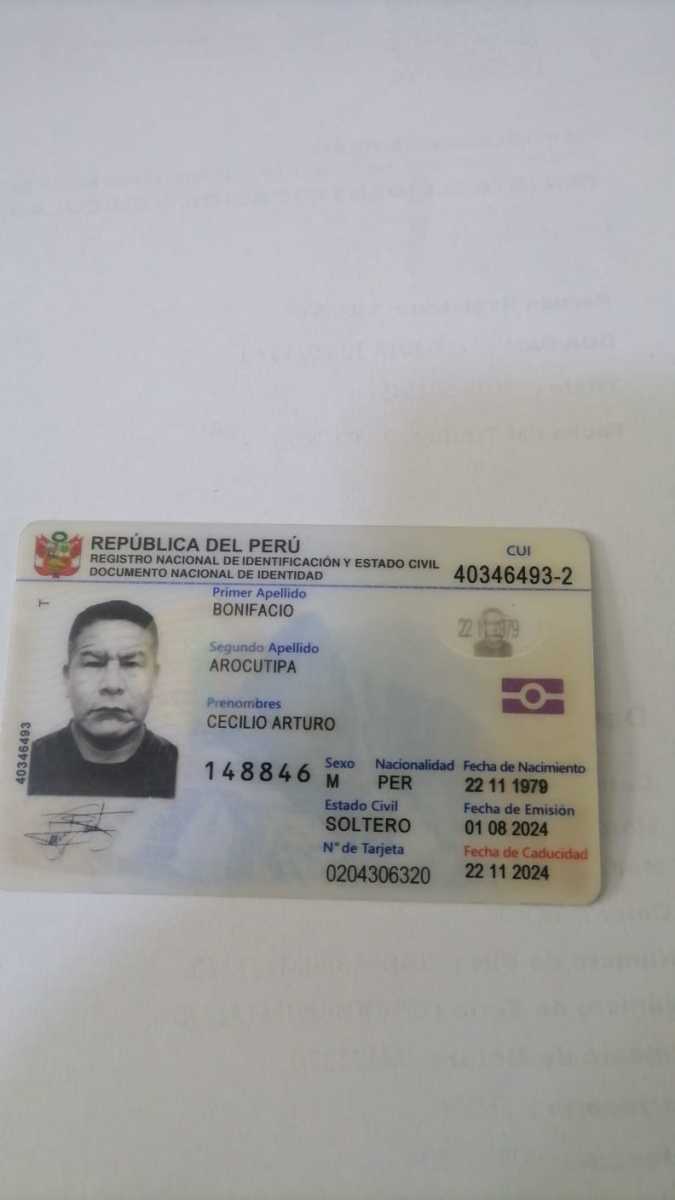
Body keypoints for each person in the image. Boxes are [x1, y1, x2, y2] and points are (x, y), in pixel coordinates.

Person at [27, 599, 178, 797]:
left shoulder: (179, 766)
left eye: (131, 664)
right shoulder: (32, 762)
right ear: (67, 677)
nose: (112, 685)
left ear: (155, 679)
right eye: (93, 663)